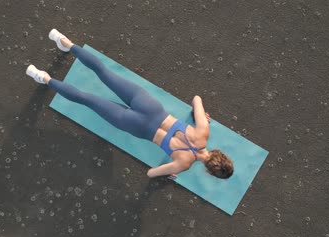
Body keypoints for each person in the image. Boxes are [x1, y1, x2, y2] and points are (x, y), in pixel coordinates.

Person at [26, 29, 234, 179]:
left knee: (105, 72)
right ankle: (44, 77)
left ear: (219, 153)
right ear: (208, 171)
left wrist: (202, 115)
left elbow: (196, 99)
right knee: (86, 99)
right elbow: (151, 173)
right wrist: (171, 171)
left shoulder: (203, 132)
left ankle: (64, 41)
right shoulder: (185, 164)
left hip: (150, 107)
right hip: (137, 126)